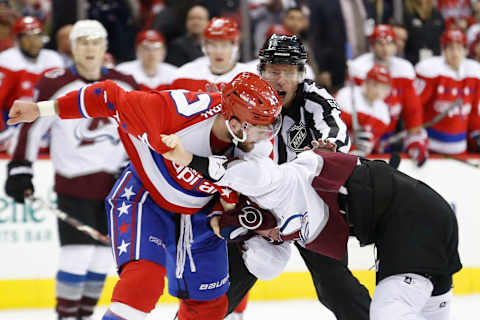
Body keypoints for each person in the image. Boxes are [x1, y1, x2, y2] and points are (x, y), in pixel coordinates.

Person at [6, 71, 283, 320]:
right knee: (141, 287)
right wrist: (40, 109)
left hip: (200, 210)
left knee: (209, 307)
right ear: (232, 119)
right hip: (146, 196)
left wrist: (231, 216)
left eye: (268, 127)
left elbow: (237, 194)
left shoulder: (255, 152)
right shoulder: (170, 113)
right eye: (257, 126)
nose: (264, 135)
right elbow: (108, 96)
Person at [159, 134, 462, 320]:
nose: (275, 236)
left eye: (266, 235)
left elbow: (230, 173)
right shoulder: (287, 227)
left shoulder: (274, 184)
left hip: (410, 213)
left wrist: (186, 157)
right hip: (413, 216)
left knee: (389, 310)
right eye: (276, 239)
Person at [226, 34, 372, 320]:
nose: (281, 79)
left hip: (308, 208)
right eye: (273, 71)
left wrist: (329, 146)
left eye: (289, 71)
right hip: (259, 209)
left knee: (335, 288)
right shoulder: (244, 99)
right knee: (223, 288)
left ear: (302, 73)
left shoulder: (315, 99)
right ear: (262, 71)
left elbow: (334, 127)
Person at [4, 19, 138, 320]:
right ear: (72, 48)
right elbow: (33, 127)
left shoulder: (125, 83)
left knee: (102, 260)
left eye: (95, 42)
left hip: (117, 190)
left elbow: (141, 131)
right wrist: (20, 168)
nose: (89, 49)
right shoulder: (55, 82)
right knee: (76, 258)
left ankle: (83, 316)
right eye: (83, 42)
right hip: (73, 186)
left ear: (105, 46)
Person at [349, 24, 428, 165]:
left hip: (390, 138)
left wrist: (415, 139)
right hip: (363, 136)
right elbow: (354, 110)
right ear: (372, 45)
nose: (385, 48)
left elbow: (413, 111)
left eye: (390, 43)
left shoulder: (404, 69)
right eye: (380, 43)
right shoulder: (359, 68)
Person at [0, 16, 63, 148]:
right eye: (27, 37)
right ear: (18, 40)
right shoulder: (7, 60)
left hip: (47, 124)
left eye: (37, 36)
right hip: (14, 125)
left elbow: (62, 98)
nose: (34, 42)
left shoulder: (53, 59)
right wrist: (3, 131)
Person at [415, 28, 480, 154]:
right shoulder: (430, 71)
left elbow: (473, 111)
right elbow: (416, 109)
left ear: (465, 50)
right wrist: (416, 138)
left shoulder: (474, 72)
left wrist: (477, 133)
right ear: (443, 50)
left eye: (459, 48)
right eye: (450, 48)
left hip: (460, 148)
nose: (455, 53)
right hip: (430, 148)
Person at [171, 17, 251, 92]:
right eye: (213, 45)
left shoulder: (249, 77)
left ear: (235, 46)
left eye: (224, 45)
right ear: (205, 46)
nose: (218, 51)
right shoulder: (185, 74)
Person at [336, 64, 393, 156]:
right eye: (375, 84)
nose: (378, 91)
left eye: (383, 87)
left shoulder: (383, 111)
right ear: (366, 82)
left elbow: (373, 140)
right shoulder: (346, 94)